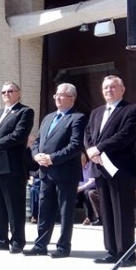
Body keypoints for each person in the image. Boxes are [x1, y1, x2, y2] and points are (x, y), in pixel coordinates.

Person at [85, 75, 136, 265]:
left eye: (112, 87)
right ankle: (111, 252)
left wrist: (99, 148)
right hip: (100, 168)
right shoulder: (96, 112)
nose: (108, 90)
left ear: (122, 89)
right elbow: (87, 134)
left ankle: (126, 253)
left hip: (121, 169)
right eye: (105, 88)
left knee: (122, 212)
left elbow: (125, 135)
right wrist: (91, 150)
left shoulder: (132, 110)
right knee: (107, 212)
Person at [28, 83, 87, 258]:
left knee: (65, 211)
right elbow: (37, 141)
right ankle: (40, 245)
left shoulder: (77, 118)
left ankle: (63, 247)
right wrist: (37, 155)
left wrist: (52, 158)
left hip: (65, 173)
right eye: (56, 95)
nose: (57, 98)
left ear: (72, 98)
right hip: (45, 173)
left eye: (62, 95)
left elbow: (75, 145)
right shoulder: (48, 118)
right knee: (44, 209)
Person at [0, 82, 34, 252]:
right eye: (4, 92)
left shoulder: (25, 112)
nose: (6, 94)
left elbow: (18, 135)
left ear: (18, 93)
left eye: (10, 91)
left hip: (13, 167)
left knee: (14, 207)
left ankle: (17, 242)